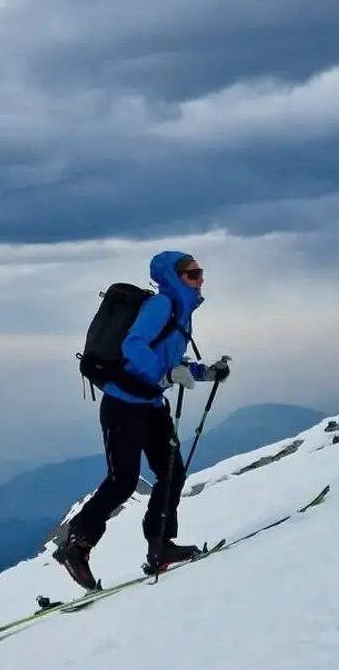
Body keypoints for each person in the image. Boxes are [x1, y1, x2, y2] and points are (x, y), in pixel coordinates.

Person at [53, 251, 231, 589]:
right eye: (193, 274)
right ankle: (76, 545)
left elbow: (171, 362)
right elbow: (134, 346)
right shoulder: (162, 306)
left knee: (171, 472)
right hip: (123, 405)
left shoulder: (181, 311)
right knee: (122, 481)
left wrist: (207, 372)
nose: (200, 279)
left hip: (150, 405)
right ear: (174, 278)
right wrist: (166, 376)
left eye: (200, 272)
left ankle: (160, 544)